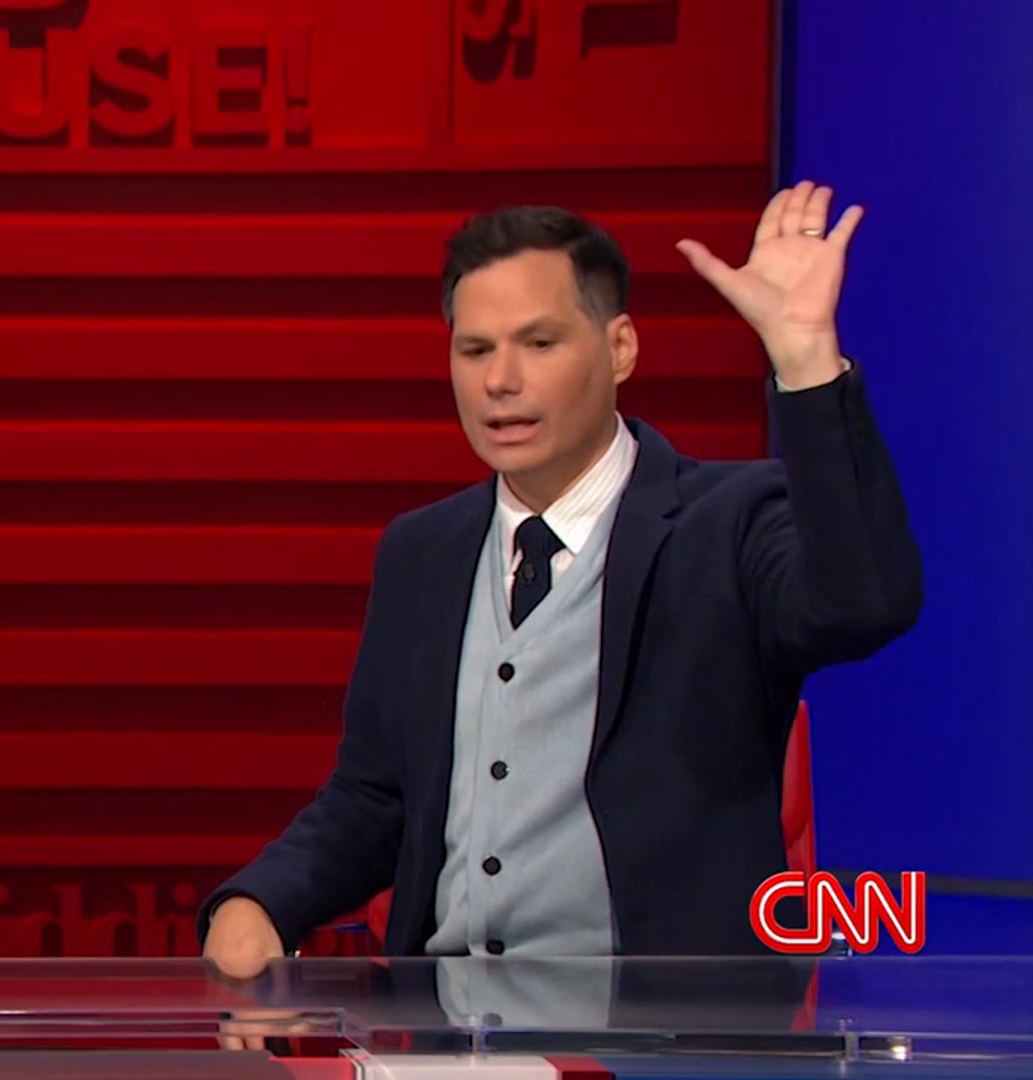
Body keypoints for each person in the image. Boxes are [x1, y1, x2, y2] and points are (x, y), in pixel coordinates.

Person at [200, 182, 922, 973]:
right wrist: (261, 900)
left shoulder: (728, 522)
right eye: (476, 350)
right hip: (446, 1022)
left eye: (539, 343)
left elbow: (865, 604)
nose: (500, 380)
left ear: (621, 349)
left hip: (662, 1029)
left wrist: (806, 361)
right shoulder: (421, 552)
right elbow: (376, 801)